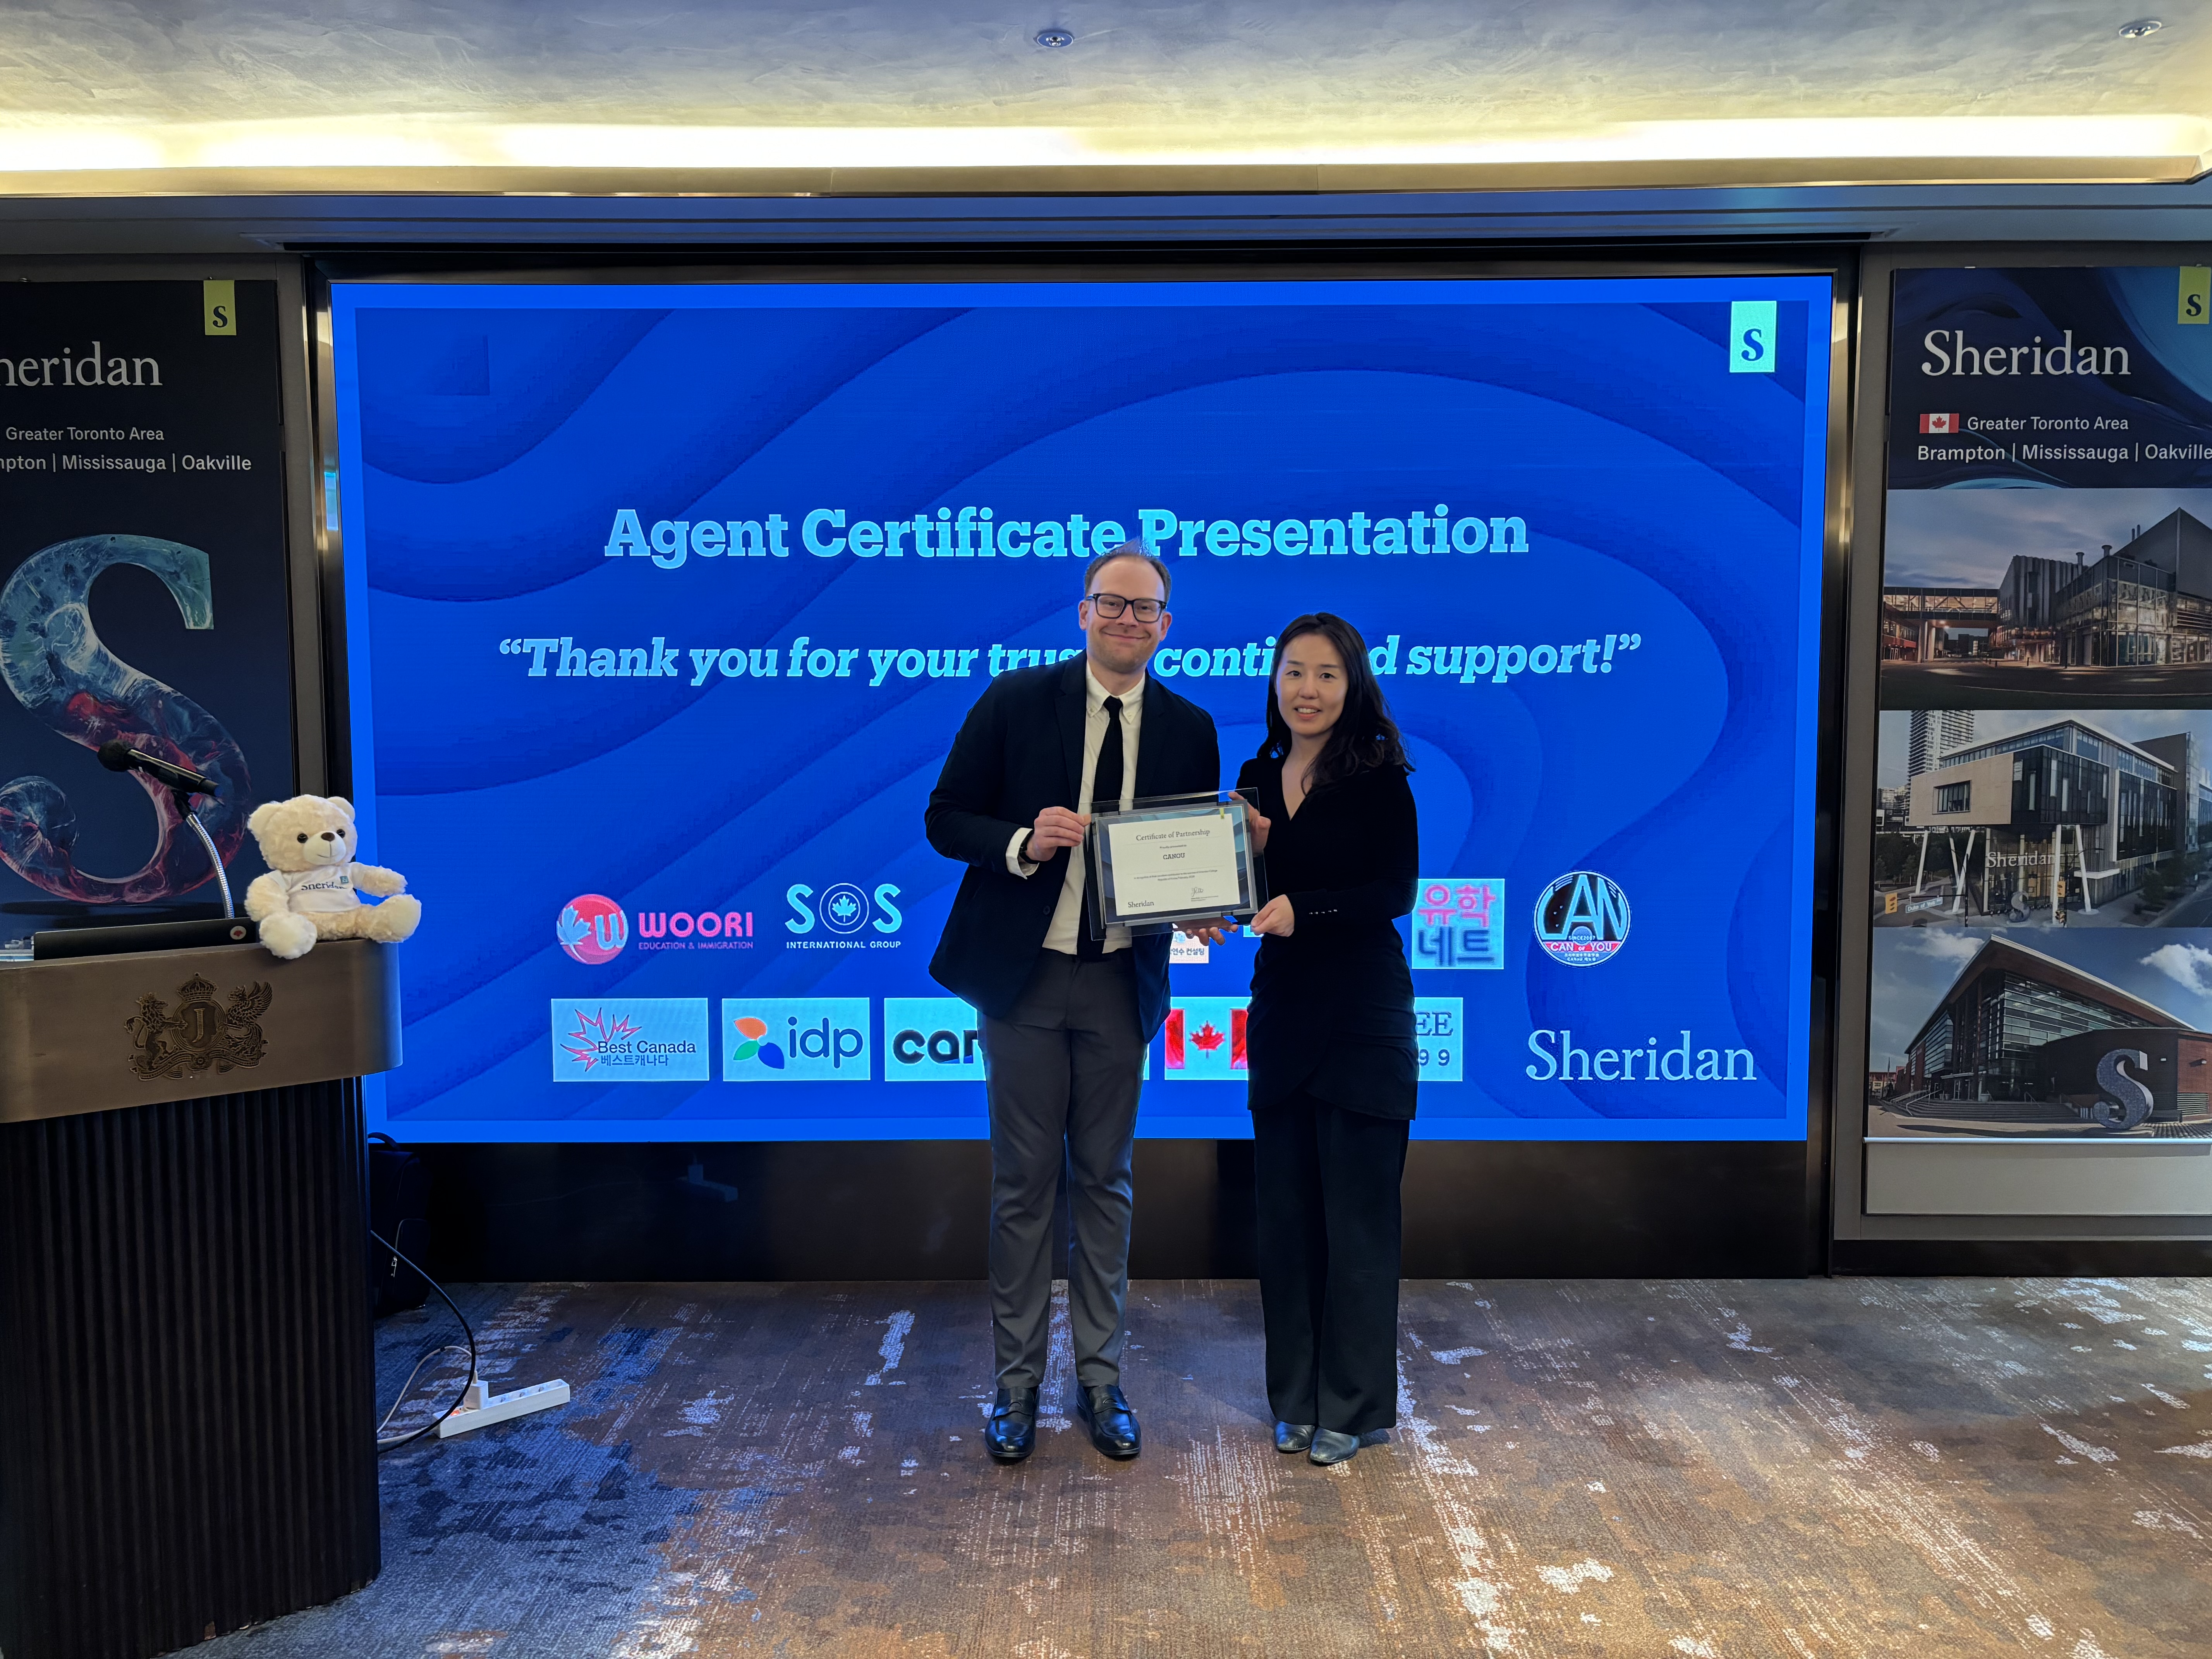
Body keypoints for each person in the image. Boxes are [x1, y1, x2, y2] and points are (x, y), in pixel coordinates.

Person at [924, 545, 1221, 1466]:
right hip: (1025, 979)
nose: (1130, 620)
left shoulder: (1190, 726)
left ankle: (1101, 1380)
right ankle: (1016, 1386)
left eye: (1147, 609)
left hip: (1121, 983)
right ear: (1084, 612)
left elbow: (1189, 854)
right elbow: (945, 817)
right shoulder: (1017, 699)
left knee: (1107, 1183)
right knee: (1023, 1186)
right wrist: (1022, 839)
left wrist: (1203, 900)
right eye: (1113, 603)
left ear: (1166, 626)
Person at [1233, 613, 1418, 1467]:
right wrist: (1231, 881)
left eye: (1327, 675)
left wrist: (1306, 908)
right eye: (1294, 672)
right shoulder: (1254, 778)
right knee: (1287, 1222)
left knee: (1359, 1222)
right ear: (1275, 682)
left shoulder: (1379, 777)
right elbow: (1248, 896)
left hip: (1362, 1017)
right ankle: (1296, 1399)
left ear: (1353, 687)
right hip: (1284, 1013)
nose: (1307, 690)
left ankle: (1353, 1404)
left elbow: (1394, 892)